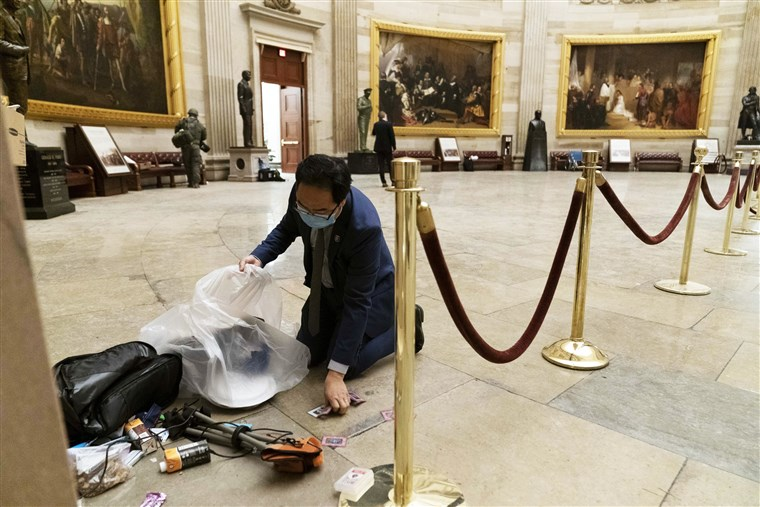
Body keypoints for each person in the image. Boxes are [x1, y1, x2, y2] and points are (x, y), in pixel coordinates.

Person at [238, 155, 423, 415]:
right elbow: (287, 228)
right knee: (306, 354)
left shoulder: (364, 227)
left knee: (349, 364)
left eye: (321, 211)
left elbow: (358, 302)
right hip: (326, 288)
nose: (310, 214)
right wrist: (259, 256)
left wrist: (336, 375)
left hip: (371, 294)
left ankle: (406, 326)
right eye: (304, 207)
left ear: (341, 200)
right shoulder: (304, 192)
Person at [0, 0, 31, 115]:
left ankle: (19, 133)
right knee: (18, 108)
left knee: (20, 108)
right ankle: (16, 133)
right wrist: (20, 50)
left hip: (19, 70)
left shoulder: (15, 19)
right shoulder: (1, 16)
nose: (19, 0)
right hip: (12, 68)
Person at [174, 108, 207, 188]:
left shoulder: (183, 122)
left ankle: (190, 182)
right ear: (196, 116)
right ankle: (196, 183)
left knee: (187, 164)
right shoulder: (200, 125)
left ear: (189, 114)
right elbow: (204, 137)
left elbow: (176, 131)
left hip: (185, 146)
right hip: (195, 147)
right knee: (195, 164)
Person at [371, 111, 396, 187]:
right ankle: (393, 181)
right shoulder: (388, 124)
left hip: (378, 147)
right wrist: (394, 146)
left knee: (381, 165)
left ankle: (384, 182)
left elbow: (373, 133)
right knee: (390, 165)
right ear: (384, 116)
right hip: (387, 148)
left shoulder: (376, 124)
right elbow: (392, 136)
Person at [238, 70, 254, 147]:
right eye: (248, 74)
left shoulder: (247, 84)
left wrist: (251, 108)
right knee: (247, 125)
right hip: (245, 109)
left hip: (249, 108)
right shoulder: (241, 84)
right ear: (244, 75)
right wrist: (243, 108)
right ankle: (247, 142)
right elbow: (240, 98)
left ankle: (250, 140)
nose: (250, 76)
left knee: (250, 125)